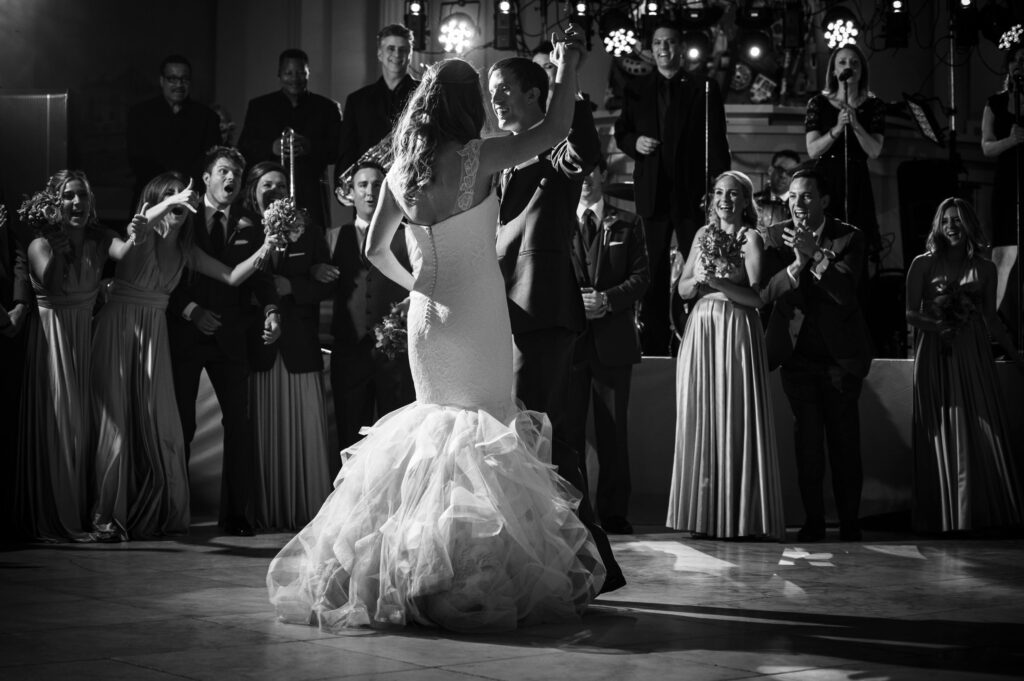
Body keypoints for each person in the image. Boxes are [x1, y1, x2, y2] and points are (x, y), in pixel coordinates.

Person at [268, 42, 607, 633]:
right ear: (466, 107)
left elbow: (375, 250)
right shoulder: (479, 157)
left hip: (427, 318)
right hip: (478, 316)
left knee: (432, 435)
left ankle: (409, 571)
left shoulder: (401, 172)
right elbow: (557, 125)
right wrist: (567, 64)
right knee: (484, 436)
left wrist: (418, 285)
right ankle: (468, 576)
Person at [490, 54, 626, 592]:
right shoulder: (503, 162)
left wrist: (567, 76)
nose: (495, 98)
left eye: (504, 88)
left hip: (544, 311)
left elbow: (586, 148)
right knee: (543, 441)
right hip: (504, 314)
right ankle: (582, 565)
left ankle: (572, 565)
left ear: (534, 94)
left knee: (536, 440)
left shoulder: (555, 150)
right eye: (491, 89)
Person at [91, 172, 280, 541]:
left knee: (160, 427)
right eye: (171, 197)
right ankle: (107, 511)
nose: (179, 202)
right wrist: (169, 203)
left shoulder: (187, 251)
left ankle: (155, 506)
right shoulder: (141, 234)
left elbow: (232, 276)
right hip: (121, 330)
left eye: (183, 198)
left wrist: (266, 246)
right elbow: (136, 232)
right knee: (116, 422)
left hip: (154, 335)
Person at [167, 146, 279, 537]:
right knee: (181, 422)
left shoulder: (252, 222)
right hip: (187, 331)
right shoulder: (185, 219)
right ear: (207, 178)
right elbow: (166, 271)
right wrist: (192, 310)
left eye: (236, 173)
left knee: (240, 425)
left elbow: (261, 276)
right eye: (223, 171)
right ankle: (173, 512)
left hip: (231, 336)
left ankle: (237, 517)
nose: (230, 179)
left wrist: (271, 311)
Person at [667, 171, 784, 540]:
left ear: (746, 201)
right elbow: (684, 290)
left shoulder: (751, 238)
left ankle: (739, 517)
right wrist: (698, 278)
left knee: (734, 417)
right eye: (719, 192)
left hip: (736, 331)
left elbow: (756, 298)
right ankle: (703, 515)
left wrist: (718, 283)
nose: (724, 200)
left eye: (733, 194)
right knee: (702, 418)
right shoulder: (702, 235)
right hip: (702, 330)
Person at [760, 168, 873, 542]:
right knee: (807, 446)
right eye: (791, 197)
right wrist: (795, 264)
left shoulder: (849, 236)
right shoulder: (774, 240)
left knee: (844, 444)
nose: (797, 204)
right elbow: (767, 292)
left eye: (806, 196)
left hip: (840, 360)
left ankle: (850, 522)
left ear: (824, 200)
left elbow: (846, 294)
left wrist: (817, 256)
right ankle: (813, 522)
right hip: (798, 359)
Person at [906, 198, 1024, 533]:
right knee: (943, 425)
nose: (952, 227)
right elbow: (909, 312)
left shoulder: (986, 268)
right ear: (938, 227)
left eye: (958, 221)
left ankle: (980, 512)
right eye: (946, 222)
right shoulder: (922, 264)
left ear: (969, 224)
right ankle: (945, 516)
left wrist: (1016, 357)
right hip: (936, 350)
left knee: (983, 424)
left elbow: (991, 319)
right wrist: (937, 325)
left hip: (973, 351)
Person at [614, 19, 731, 356]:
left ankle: (699, 338)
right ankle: (652, 344)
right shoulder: (636, 88)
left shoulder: (703, 86)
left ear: (680, 48)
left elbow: (717, 141)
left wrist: (719, 187)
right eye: (658, 44)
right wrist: (636, 141)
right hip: (653, 194)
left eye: (670, 43)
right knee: (652, 273)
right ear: (651, 51)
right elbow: (622, 132)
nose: (664, 49)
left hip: (692, 195)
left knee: (702, 266)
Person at [14, 171, 112, 541]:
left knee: (81, 428)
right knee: (59, 425)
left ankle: (82, 510)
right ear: (55, 203)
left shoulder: (96, 240)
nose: (77, 203)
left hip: (82, 339)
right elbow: (53, 284)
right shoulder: (40, 243)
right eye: (69, 196)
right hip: (52, 339)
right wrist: (58, 248)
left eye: (82, 197)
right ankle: (59, 517)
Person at [243, 162, 333, 530]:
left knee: (303, 430)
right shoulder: (245, 231)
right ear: (254, 190)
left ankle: (305, 510)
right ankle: (265, 510)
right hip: (260, 347)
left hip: (299, 345)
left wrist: (294, 286)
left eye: (280, 184)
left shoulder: (309, 232)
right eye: (267, 184)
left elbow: (328, 282)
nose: (274, 190)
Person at [567, 156, 650, 535]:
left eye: (591, 171)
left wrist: (609, 300)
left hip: (614, 343)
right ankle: (573, 511)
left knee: (613, 433)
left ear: (602, 174)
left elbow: (642, 277)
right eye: (578, 172)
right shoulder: (558, 221)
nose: (584, 179)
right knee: (568, 432)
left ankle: (614, 512)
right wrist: (576, 302)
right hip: (570, 343)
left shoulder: (629, 222)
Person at [314, 161, 414, 474]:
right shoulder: (332, 237)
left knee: (397, 432)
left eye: (376, 185)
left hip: (394, 354)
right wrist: (315, 272)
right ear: (349, 193)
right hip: (348, 351)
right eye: (362, 185)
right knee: (349, 432)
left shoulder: (407, 235)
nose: (370, 192)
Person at [238, 49, 342, 231]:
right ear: (279, 74)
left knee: (312, 240)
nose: (295, 78)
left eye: (301, 73)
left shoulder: (328, 108)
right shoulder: (259, 107)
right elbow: (245, 147)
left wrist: (310, 147)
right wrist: (272, 147)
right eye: (288, 73)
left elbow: (339, 150)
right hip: (270, 191)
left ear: (308, 73)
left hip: (311, 192)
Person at [805, 44, 884, 261]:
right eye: (842, 62)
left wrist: (856, 124)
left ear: (862, 70)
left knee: (857, 241)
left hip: (857, 177)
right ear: (834, 71)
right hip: (828, 178)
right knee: (826, 238)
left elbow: (875, 150)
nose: (849, 66)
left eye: (854, 63)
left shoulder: (873, 105)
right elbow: (812, 150)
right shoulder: (819, 103)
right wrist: (838, 128)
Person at [126, 55, 222, 207]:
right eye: (172, 79)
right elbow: (137, 158)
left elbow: (210, 162)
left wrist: (183, 188)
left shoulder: (208, 117)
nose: (179, 84)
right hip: (151, 196)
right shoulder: (139, 114)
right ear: (161, 81)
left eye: (184, 79)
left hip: (191, 196)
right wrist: (166, 189)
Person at [980, 42, 1024, 338]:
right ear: (1008, 66)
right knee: (1002, 259)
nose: (1020, 65)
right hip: (1008, 184)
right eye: (1016, 60)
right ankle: (985, 331)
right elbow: (986, 146)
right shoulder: (995, 103)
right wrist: (1011, 141)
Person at [335, 24, 418, 175]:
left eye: (403, 49)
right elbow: (347, 151)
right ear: (380, 54)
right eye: (391, 48)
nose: (397, 54)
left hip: (412, 183)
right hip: (371, 187)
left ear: (410, 55)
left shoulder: (425, 95)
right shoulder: (357, 100)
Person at [0, 202, 31, 534]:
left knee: (8, 423)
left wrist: (20, 305)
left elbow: (18, 255)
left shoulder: (5, 218)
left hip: (12, 329)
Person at [755, 149, 801, 235]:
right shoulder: (754, 202)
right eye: (780, 169)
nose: (783, 175)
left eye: (790, 172)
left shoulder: (800, 206)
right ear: (770, 170)